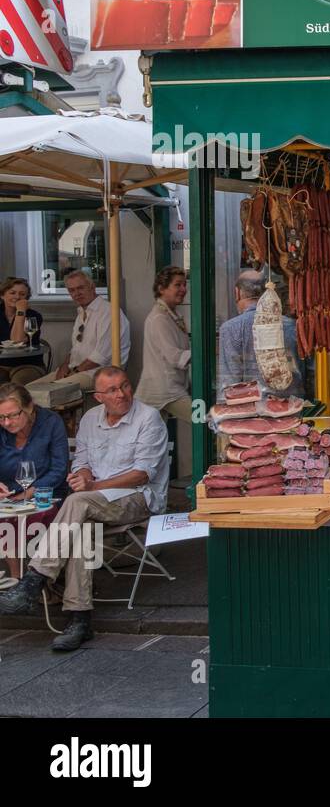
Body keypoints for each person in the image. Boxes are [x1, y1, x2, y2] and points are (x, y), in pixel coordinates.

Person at [0, 367, 168, 651]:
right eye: (112, 390)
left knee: (75, 502)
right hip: (93, 503)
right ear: (99, 396)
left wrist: (92, 487)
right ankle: (79, 618)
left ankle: (35, 579)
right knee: (77, 526)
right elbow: (82, 463)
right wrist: (84, 476)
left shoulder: (147, 418)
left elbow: (142, 474)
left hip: (136, 498)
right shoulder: (91, 419)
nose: (121, 394)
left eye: (125, 386)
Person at [0, 382, 69, 587]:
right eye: (1, 417)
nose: (6, 422)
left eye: (12, 415)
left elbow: (59, 469)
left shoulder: (50, 422)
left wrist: (29, 493)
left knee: (33, 520)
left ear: (29, 407)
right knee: (5, 522)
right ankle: (18, 580)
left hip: (47, 494)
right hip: (9, 497)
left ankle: (38, 581)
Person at [28, 270, 130, 394]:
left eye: (80, 288)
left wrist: (73, 373)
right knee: (25, 391)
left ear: (92, 287)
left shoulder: (108, 312)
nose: (76, 293)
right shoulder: (81, 312)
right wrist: (64, 366)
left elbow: (100, 357)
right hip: (76, 369)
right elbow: (76, 348)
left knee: (45, 393)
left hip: (100, 373)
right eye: (72, 290)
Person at [217, 271, 303, 396]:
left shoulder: (230, 329)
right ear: (266, 291)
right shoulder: (293, 326)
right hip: (293, 406)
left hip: (254, 411)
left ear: (237, 293)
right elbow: (309, 372)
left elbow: (229, 385)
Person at [136, 266, 192, 421]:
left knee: (152, 435)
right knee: (203, 421)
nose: (183, 289)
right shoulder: (159, 318)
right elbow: (174, 356)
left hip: (169, 387)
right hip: (165, 389)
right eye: (177, 285)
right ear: (161, 289)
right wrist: (204, 351)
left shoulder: (172, 314)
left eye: (184, 284)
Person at [0, 277, 41, 347]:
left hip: (26, 356)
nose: (17, 297)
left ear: (26, 298)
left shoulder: (34, 316)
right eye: (12, 293)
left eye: (22, 294)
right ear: (2, 295)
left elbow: (17, 340)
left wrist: (21, 311)